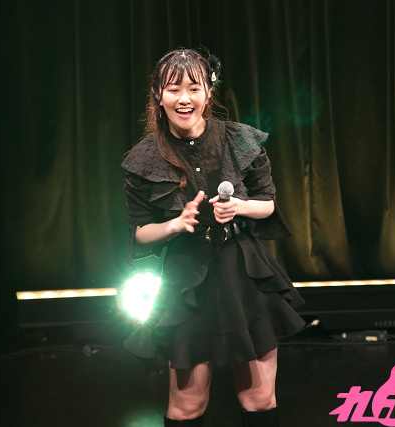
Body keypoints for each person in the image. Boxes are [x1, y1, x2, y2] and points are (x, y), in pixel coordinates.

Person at [121, 48, 306, 427]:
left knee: (259, 399)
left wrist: (239, 206)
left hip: (244, 273)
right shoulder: (144, 158)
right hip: (186, 280)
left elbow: (268, 205)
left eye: (194, 88)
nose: (184, 98)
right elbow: (140, 232)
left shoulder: (240, 139)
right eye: (174, 89)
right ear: (158, 95)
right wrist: (176, 224)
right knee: (187, 406)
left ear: (208, 92)